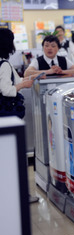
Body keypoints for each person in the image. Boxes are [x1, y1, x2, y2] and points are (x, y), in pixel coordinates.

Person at [0, 28, 38, 203]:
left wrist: (23, 82)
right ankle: (20, 195)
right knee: (15, 156)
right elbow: (7, 90)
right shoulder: (4, 65)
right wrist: (23, 86)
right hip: (8, 115)